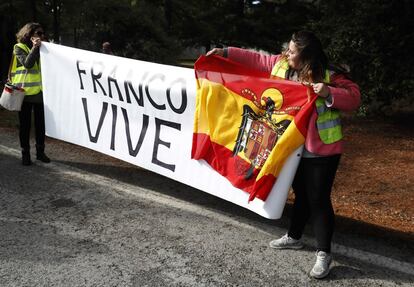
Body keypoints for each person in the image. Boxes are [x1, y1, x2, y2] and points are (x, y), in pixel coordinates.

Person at [207, 31, 360, 279]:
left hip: (320, 149)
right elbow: (256, 60)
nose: (287, 53)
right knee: (300, 193)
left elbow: (354, 99)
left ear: (306, 55)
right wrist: (225, 52)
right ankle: (295, 237)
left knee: (318, 199)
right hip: (289, 147)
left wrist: (329, 93)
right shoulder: (280, 64)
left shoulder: (330, 74)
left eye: (292, 51)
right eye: (287, 49)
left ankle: (324, 253)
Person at [11, 22, 50, 166]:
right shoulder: (18, 47)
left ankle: (40, 152)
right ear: (29, 34)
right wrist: (35, 47)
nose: (41, 36)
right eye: (38, 33)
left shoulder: (44, 48)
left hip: (40, 93)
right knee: (25, 126)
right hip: (24, 93)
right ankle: (25, 154)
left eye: (42, 33)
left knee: (41, 125)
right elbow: (28, 64)